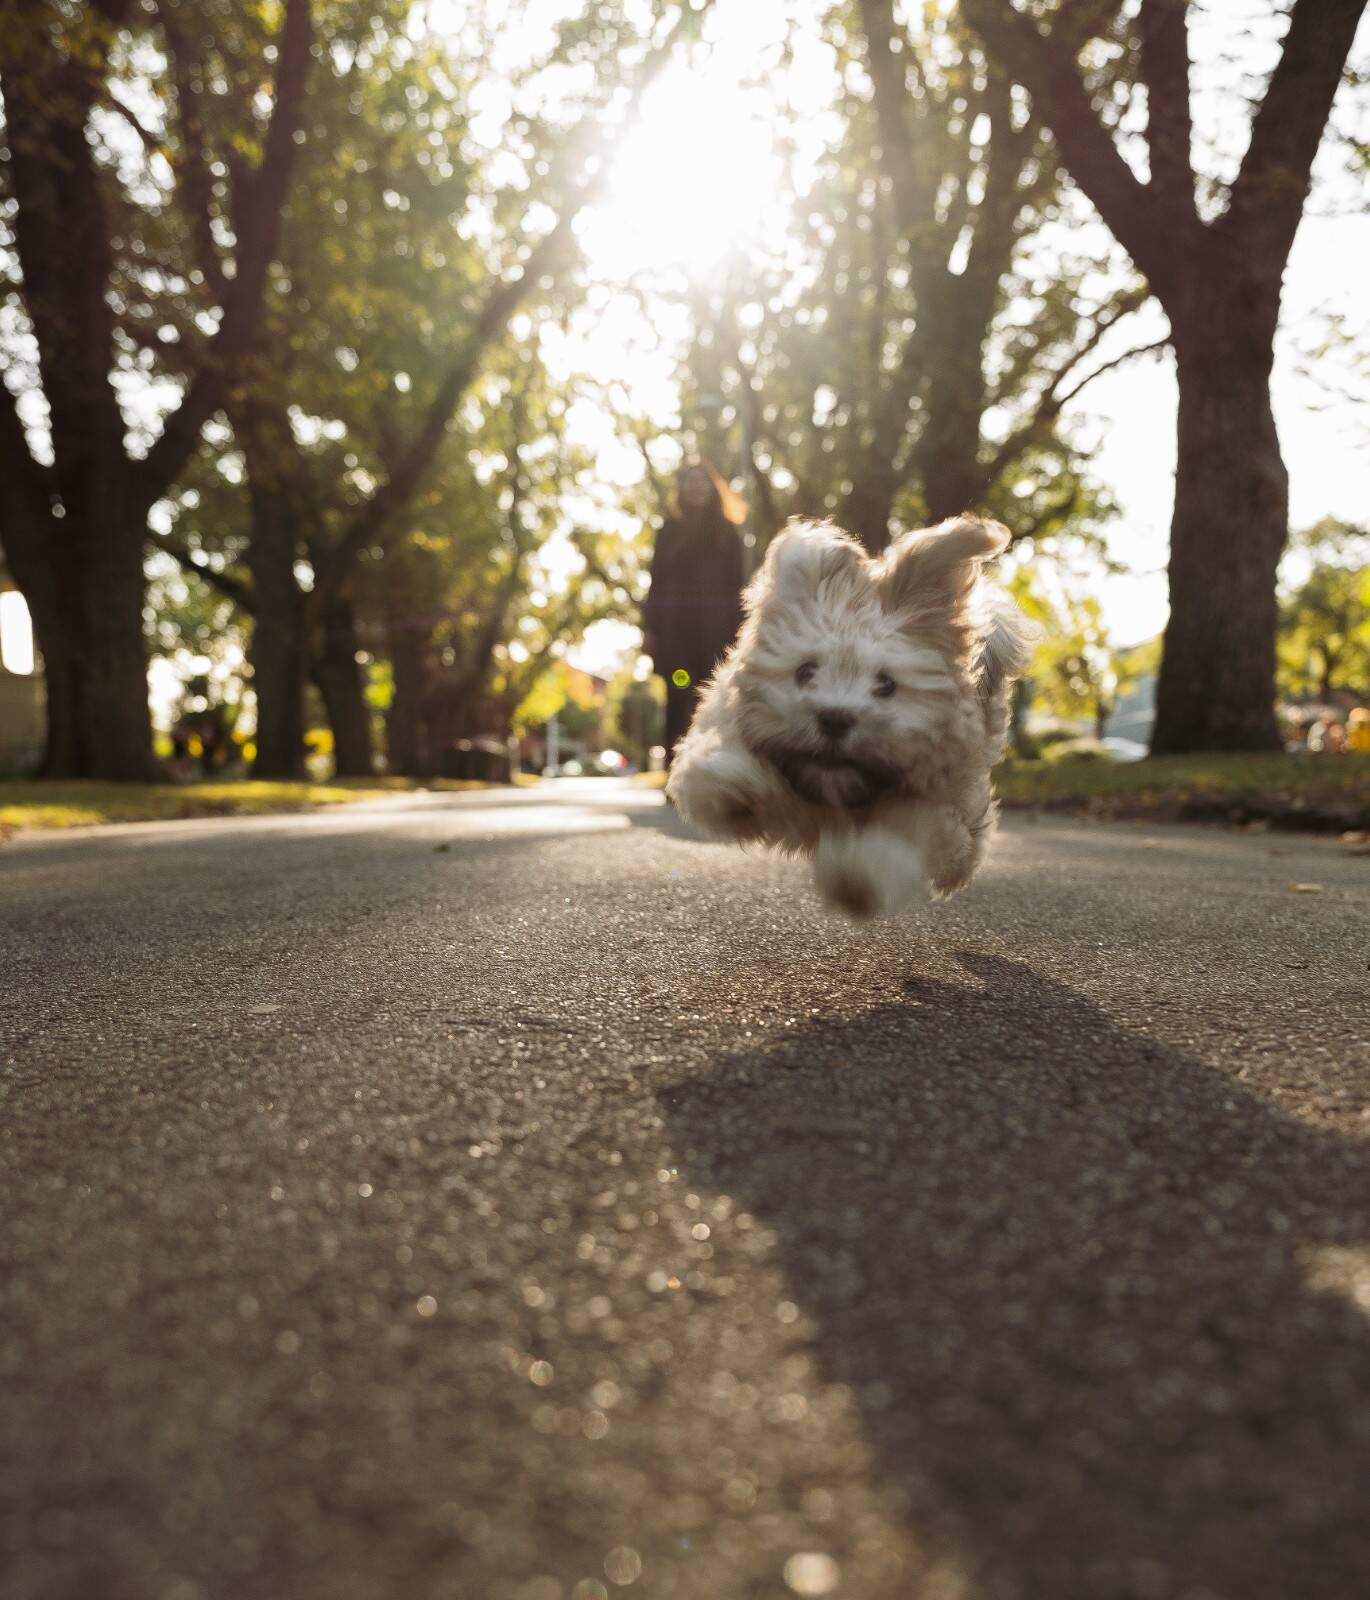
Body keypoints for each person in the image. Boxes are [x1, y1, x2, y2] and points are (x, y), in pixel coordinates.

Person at [642, 460, 747, 762]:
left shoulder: (728, 533)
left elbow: (739, 586)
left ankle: (712, 765)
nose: (696, 486)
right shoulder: (669, 531)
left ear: (713, 488)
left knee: (714, 695)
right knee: (679, 693)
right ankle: (675, 769)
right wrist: (649, 628)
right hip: (675, 635)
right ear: (681, 489)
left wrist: (741, 632)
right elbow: (656, 581)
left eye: (702, 480)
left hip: (717, 633)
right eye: (690, 480)